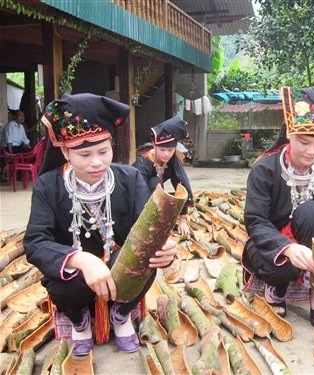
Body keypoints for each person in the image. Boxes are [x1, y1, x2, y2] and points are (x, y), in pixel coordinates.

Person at [23, 93, 178, 356]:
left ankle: (121, 314)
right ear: (65, 151)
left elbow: (147, 229)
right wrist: (80, 260)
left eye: (104, 151)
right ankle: (78, 319)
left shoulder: (130, 178)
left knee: (148, 255)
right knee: (63, 282)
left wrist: (165, 248)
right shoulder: (48, 185)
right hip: (75, 276)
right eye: (84, 154)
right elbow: (36, 242)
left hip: (119, 265)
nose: (97, 162)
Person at [242, 85, 314, 328]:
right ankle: (277, 285)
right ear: (289, 136)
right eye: (303, 142)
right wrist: (286, 248)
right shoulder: (265, 169)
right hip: (269, 243)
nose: (311, 151)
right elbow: (256, 220)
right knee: (278, 265)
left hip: (310, 237)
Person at [132, 117, 194, 235]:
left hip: (157, 191)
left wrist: (183, 220)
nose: (166, 154)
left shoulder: (172, 159)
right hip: (139, 195)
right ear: (154, 146)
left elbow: (182, 184)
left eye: (170, 150)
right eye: (162, 149)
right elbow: (138, 194)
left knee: (166, 184)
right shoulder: (143, 164)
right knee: (155, 183)